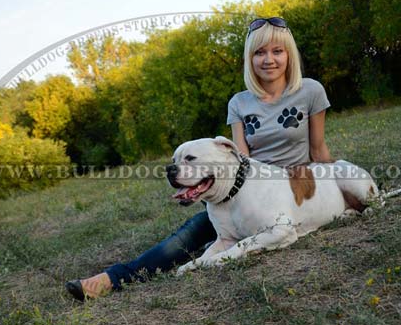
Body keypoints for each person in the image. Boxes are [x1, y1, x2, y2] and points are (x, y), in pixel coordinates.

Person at [65, 16, 333, 301]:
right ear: (249, 59)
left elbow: (318, 149)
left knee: (217, 234)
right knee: (189, 233)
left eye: (277, 51)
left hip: (293, 188)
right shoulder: (239, 103)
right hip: (250, 188)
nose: (269, 60)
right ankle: (113, 278)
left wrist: (336, 182)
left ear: (289, 54)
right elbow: (239, 159)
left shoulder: (310, 90)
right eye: (259, 52)